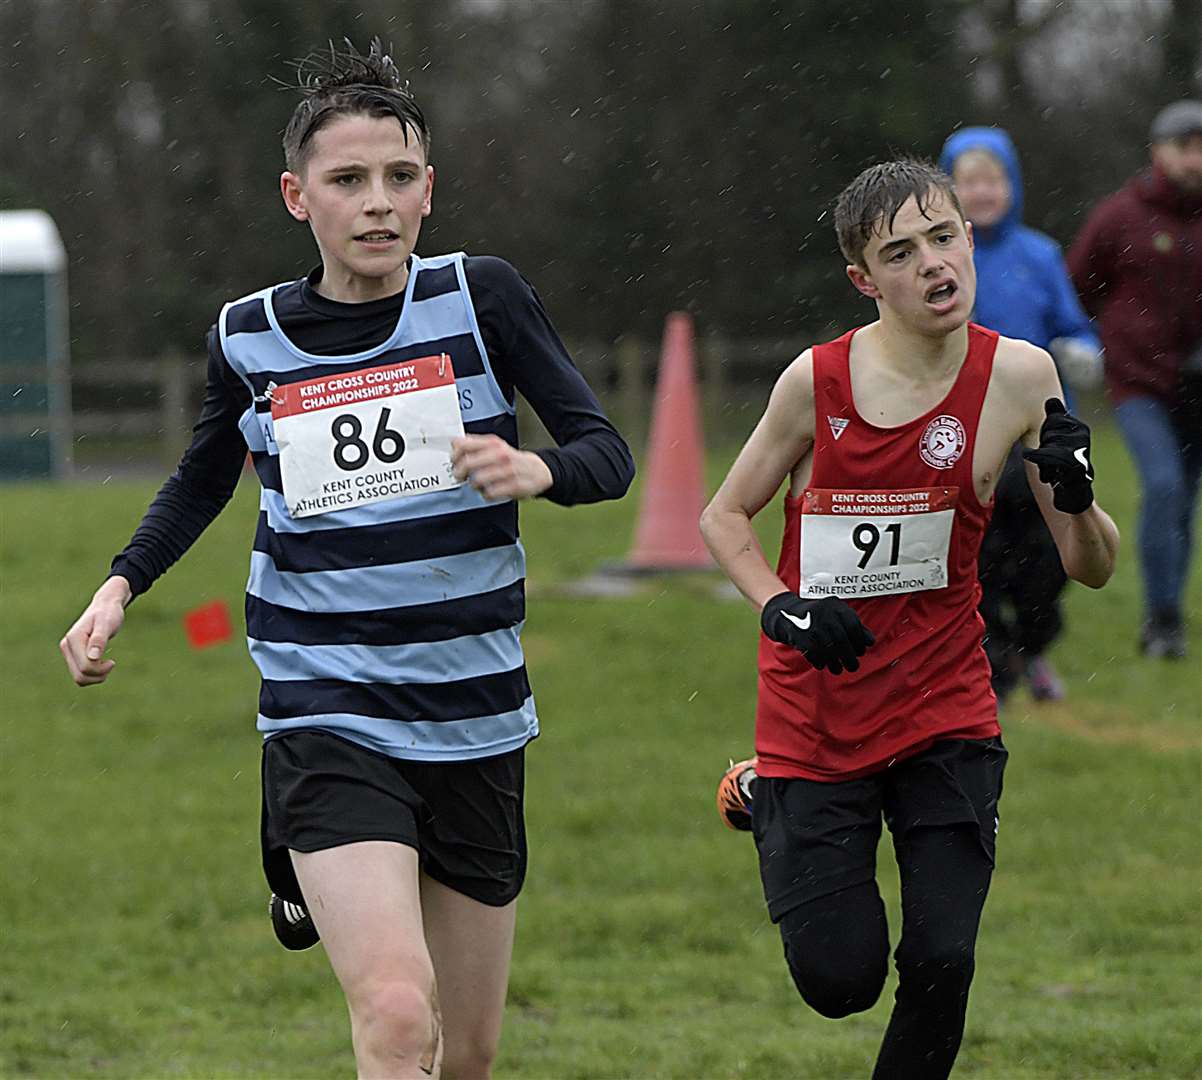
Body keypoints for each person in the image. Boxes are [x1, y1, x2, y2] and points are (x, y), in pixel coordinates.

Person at [59, 40, 634, 1080]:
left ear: (429, 192)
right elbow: (202, 477)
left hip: (475, 715)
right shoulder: (249, 338)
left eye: (399, 179)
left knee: (463, 1058)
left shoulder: (481, 298)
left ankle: (299, 868)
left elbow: (607, 454)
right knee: (396, 1018)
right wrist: (118, 586)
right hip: (326, 702)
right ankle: (303, 842)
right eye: (347, 180)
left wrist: (535, 471)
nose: (377, 204)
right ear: (296, 195)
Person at [702, 158, 1118, 1080]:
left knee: (942, 962)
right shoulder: (816, 383)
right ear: (864, 279)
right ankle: (767, 794)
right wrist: (785, 610)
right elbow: (722, 517)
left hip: (948, 709)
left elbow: (1091, 568)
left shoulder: (1021, 375)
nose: (934, 264)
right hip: (817, 711)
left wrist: (1079, 501)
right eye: (901, 251)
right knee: (839, 978)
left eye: (944, 237)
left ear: (970, 239)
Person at [938, 127, 1104, 703]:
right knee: (977, 555)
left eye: (994, 180)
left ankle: (1033, 648)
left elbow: (1073, 324)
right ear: (949, 189)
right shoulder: (941, 257)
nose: (983, 193)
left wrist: (1083, 350)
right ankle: (995, 659)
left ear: (1013, 185)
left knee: (1048, 556)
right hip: (966, 430)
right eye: (970, 182)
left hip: (1039, 431)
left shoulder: (1040, 254)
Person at [1068, 99, 1202, 659]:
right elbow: (1077, 284)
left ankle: (1167, 616)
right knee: (1165, 487)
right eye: (1183, 146)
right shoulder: (1120, 216)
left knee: (1183, 504)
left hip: (1200, 388)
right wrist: (1097, 342)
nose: (1194, 159)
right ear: (1157, 152)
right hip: (1139, 383)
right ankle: (1161, 620)